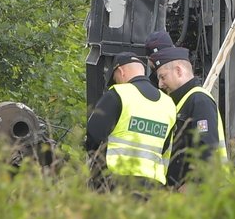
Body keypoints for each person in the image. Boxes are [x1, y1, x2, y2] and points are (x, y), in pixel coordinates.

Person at [85, 52, 176, 191]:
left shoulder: (119, 94)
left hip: (118, 182)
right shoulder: (168, 103)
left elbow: (94, 134)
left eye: (115, 78)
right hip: (153, 187)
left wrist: (96, 172)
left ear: (120, 71)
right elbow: (165, 147)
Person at [149, 46, 227, 188]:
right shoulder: (184, 102)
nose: (160, 84)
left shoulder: (199, 100)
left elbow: (206, 149)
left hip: (201, 194)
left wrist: (191, 186)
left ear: (178, 71)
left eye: (162, 77)